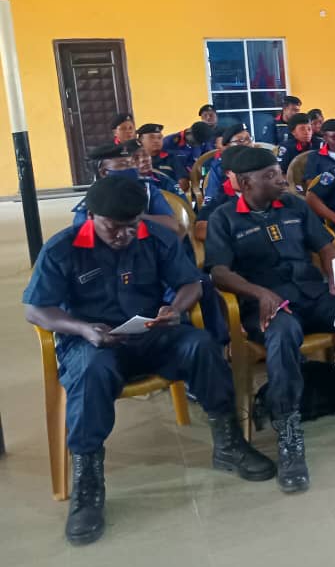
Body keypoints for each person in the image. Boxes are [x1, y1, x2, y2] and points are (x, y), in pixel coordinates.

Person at [24, 177, 274, 544]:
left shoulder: (154, 237)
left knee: (201, 346)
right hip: (94, 342)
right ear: (91, 216)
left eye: (133, 225)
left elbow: (191, 283)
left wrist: (175, 309)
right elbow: (36, 309)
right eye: (115, 227)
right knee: (91, 372)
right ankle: (88, 483)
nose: (125, 235)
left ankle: (229, 444)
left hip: (152, 333)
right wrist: (82, 329)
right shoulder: (63, 248)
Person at [206, 148, 335, 492]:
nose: (281, 179)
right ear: (244, 183)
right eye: (270, 176)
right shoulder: (224, 218)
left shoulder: (295, 206)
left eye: (279, 172)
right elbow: (219, 273)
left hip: (313, 295)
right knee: (283, 333)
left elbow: (326, 245)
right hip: (268, 306)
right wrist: (260, 294)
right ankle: (288, 433)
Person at [74, 142, 182, 238]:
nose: (131, 169)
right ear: (104, 172)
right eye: (123, 165)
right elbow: (84, 238)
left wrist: (135, 217)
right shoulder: (92, 203)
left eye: (131, 163)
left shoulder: (148, 191)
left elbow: (173, 226)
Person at [202, 123, 254, 212]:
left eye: (249, 139)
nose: (247, 144)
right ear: (227, 146)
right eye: (240, 140)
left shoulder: (262, 160)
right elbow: (212, 198)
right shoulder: (219, 167)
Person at [137, 123, 187, 194]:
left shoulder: (171, 157)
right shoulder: (133, 160)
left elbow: (183, 183)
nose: (156, 141)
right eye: (151, 137)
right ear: (140, 140)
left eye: (159, 138)